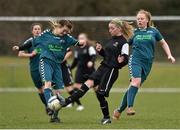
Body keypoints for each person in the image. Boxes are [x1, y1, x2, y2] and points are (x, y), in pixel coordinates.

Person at [59, 18, 134, 124]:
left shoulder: (124, 43)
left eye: (112, 28)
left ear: (119, 29)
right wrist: (101, 50)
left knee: (100, 93)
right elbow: (107, 56)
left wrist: (122, 60)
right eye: (109, 28)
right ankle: (66, 101)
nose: (110, 30)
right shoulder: (111, 40)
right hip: (102, 67)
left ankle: (106, 117)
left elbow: (125, 59)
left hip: (111, 70)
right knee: (87, 84)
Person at [112, 9, 176, 120]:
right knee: (136, 82)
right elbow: (125, 45)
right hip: (135, 60)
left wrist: (169, 55)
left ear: (147, 20)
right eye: (138, 19)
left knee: (133, 86)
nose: (139, 21)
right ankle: (130, 107)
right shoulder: (135, 33)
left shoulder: (154, 31)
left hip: (148, 63)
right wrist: (121, 55)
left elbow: (163, 43)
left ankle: (118, 110)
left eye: (142, 19)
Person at [31, 20, 81, 123]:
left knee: (58, 92)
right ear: (59, 26)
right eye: (64, 30)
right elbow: (35, 41)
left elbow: (78, 43)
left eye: (67, 32)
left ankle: (54, 117)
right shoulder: (46, 34)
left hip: (57, 66)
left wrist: (84, 43)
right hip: (46, 62)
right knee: (47, 83)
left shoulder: (67, 38)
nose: (65, 33)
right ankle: (49, 106)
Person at [12, 23, 51, 114]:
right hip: (34, 68)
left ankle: (52, 108)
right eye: (35, 29)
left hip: (46, 67)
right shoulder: (29, 41)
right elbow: (20, 54)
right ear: (32, 31)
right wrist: (31, 54)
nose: (37, 30)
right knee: (40, 90)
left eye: (39, 29)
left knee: (47, 87)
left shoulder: (45, 40)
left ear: (41, 30)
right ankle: (47, 106)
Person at [70, 33, 97, 111]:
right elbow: (75, 60)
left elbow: (94, 56)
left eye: (82, 38)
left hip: (90, 71)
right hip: (80, 71)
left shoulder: (89, 47)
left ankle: (101, 100)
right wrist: (71, 68)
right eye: (79, 38)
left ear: (86, 39)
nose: (81, 40)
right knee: (75, 87)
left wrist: (91, 62)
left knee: (96, 88)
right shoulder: (77, 49)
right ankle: (74, 103)